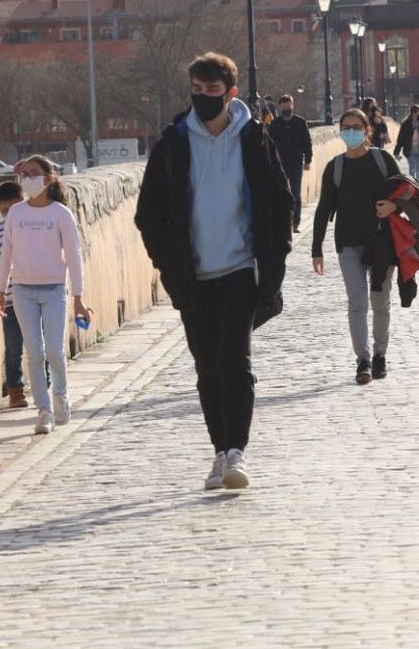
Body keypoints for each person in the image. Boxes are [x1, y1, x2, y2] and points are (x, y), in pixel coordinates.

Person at [134, 52, 294, 491]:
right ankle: (220, 452)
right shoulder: (173, 145)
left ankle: (237, 453)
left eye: (212, 91)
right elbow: (148, 214)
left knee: (235, 362)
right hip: (193, 277)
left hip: (241, 269)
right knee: (207, 367)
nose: (204, 98)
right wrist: (168, 266)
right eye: (197, 91)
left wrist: (273, 267)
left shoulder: (254, 140)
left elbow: (281, 205)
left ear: (232, 92)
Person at [0, 155, 89, 436]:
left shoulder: (60, 214)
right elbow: (6, 254)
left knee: (55, 352)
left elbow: (74, 257)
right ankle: (43, 409)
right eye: (25, 174)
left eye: (34, 173)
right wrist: (1, 289)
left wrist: (79, 297)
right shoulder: (16, 214)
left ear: (48, 178)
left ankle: (60, 395)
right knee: (34, 352)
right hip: (22, 290)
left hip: (54, 289)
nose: (28, 178)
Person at [313, 108, 404, 385]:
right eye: (346, 127)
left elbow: (406, 192)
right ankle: (362, 360)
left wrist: (394, 205)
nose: (350, 132)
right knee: (357, 303)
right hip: (348, 243)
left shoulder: (383, 160)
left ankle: (379, 355)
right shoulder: (335, 167)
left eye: (356, 127)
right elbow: (323, 208)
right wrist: (316, 248)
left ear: (367, 130)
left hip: (382, 244)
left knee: (380, 303)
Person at [0, 179, 31, 409]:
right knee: (13, 348)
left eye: (12, 209)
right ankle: (15, 389)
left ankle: (45, 382)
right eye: (4, 211)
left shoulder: (33, 225)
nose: (8, 214)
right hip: (10, 300)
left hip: (34, 295)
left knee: (39, 344)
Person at [266, 93, 314, 234]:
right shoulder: (274, 125)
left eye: (289, 106)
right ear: (280, 107)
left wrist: (308, 160)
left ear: (293, 106)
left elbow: (307, 142)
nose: (287, 108)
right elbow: (270, 145)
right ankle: (281, 222)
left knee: (295, 194)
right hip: (279, 164)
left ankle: (295, 223)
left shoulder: (300, 123)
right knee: (280, 193)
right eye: (284, 107)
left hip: (296, 162)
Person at [394, 104, 419, 183]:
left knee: (418, 169)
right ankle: (412, 185)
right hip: (410, 149)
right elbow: (401, 138)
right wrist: (397, 151)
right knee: (412, 169)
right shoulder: (406, 124)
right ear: (414, 113)